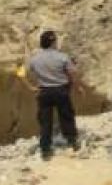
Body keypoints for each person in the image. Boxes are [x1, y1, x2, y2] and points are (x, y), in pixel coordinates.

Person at [27, 31, 80, 160]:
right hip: (61, 90)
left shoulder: (34, 59)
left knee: (45, 121)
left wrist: (31, 87)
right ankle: (72, 142)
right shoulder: (62, 57)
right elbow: (72, 74)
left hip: (44, 92)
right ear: (53, 42)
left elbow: (23, 73)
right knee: (66, 116)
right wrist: (76, 87)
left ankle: (45, 150)